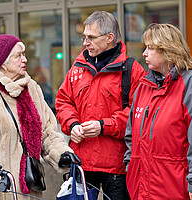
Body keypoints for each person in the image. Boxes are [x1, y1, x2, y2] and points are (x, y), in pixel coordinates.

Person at [0, 34, 80, 200]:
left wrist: (61, 154)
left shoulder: (32, 89)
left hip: (29, 186)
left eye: (24, 54)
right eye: (18, 55)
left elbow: (47, 132)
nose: (25, 59)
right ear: (3, 63)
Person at [124, 23, 192, 200]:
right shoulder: (143, 87)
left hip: (177, 188)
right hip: (141, 188)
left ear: (168, 50)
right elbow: (131, 135)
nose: (144, 53)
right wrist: (130, 165)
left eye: (150, 48)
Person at [55, 11, 145, 199]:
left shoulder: (132, 70)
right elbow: (63, 101)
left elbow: (138, 114)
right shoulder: (77, 67)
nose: (85, 43)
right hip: (82, 163)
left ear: (109, 38)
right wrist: (72, 125)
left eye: (91, 37)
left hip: (117, 166)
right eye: (84, 37)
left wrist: (103, 126)